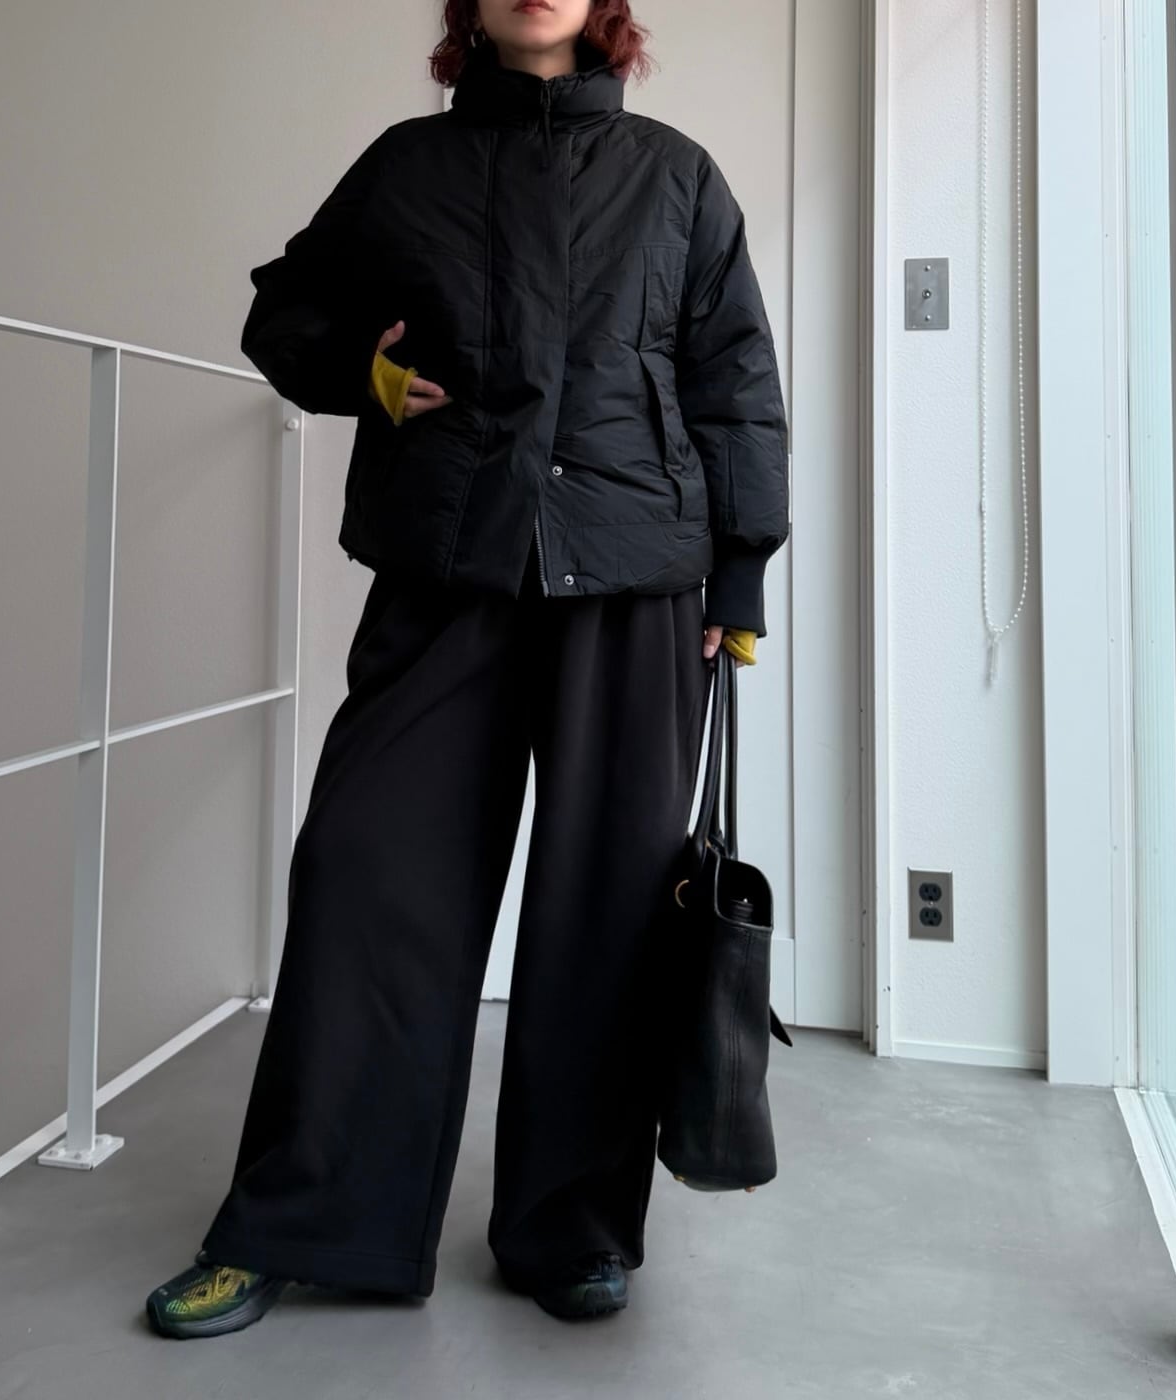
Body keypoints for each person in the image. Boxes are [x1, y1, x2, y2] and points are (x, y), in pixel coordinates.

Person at [145, 0, 787, 1337]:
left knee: (610, 905)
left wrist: (740, 576)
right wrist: (363, 377)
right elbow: (285, 312)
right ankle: (306, 1220)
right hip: (447, 565)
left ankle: (573, 1229)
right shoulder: (407, 166)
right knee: (364, 872)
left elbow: (734, 382)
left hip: (636, 581)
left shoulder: (676, 176)